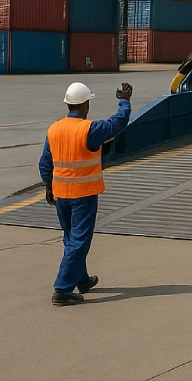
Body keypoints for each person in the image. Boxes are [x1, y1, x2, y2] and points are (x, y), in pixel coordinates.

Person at [39, 81, 133, 305]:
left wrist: (49, 185)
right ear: (86, 105)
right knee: (80, 240)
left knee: (71, 238)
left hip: (62, 194)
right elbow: (117, 123)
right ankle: (62, 288)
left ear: (68, 104)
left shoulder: (54, 129)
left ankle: (82, 279)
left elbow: (45, 163)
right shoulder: (89, 130)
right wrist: (124, 101)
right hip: (83, 194)